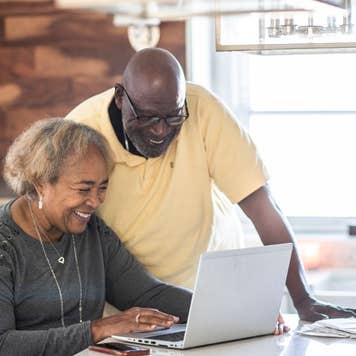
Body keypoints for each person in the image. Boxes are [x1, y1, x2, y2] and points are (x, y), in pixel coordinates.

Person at [65, 48, 356, 322]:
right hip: (124, 308)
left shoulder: (203, 109)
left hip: (206, 288)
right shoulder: (80, 132)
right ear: (120, 97)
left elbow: (263, 207)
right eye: (148, 117)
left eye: (173, 117)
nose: (160, 130)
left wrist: (303, 300)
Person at [0, 119, 192, 356]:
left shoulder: (92, 231)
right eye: (83, 189)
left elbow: (146, 294)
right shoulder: (5, 244)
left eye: (102, 187)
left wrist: (219, 308)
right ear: (40, 184)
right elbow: (4, 344)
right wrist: (97, 329)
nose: (95, 201)